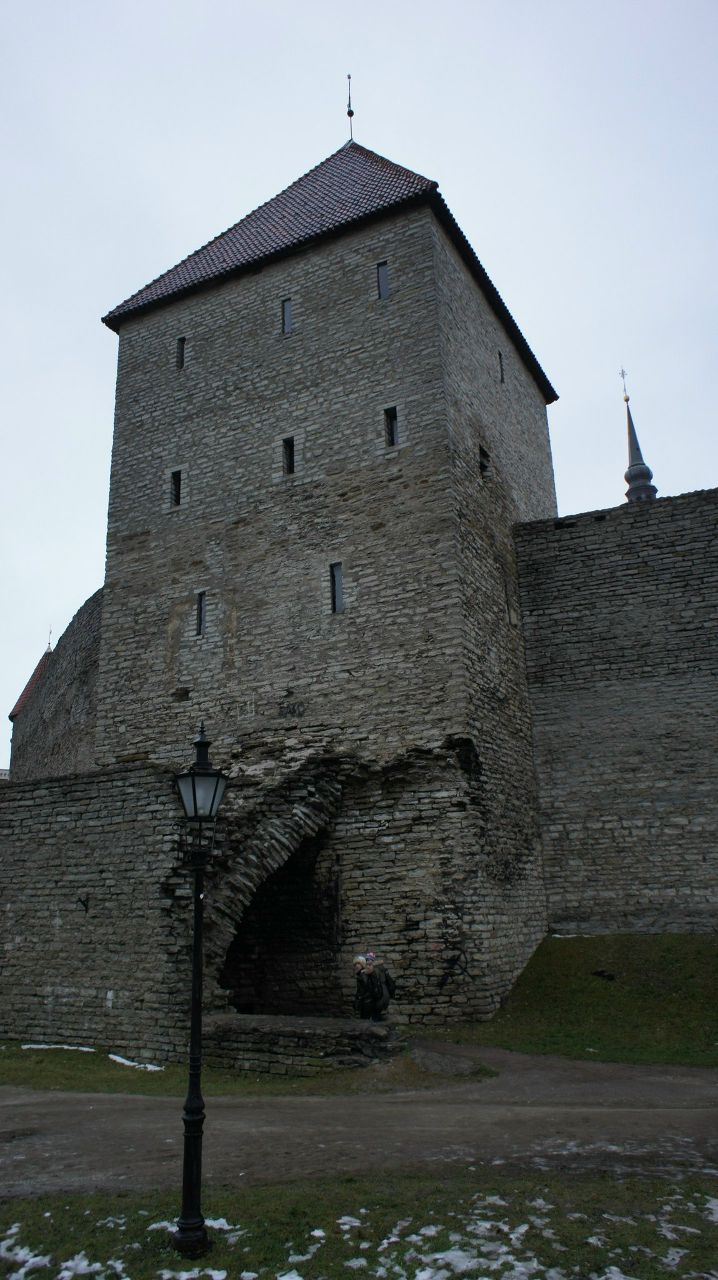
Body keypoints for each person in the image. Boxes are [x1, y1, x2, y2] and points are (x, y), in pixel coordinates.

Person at [353, 951, 395, 1022]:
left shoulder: (365, 973)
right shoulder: (381, 969)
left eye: (358, 964)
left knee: (369, 1022)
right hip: (383, 996)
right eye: (355, 964)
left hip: (372, 1001)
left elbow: (365, 990)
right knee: (376, 1018)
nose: (356, 966)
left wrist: (359, 1002)